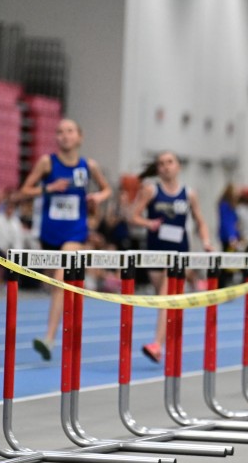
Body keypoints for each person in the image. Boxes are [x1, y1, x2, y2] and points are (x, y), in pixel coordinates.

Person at [18, 118, 111, 362]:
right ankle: (64, 323)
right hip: (49, 234)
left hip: (75, 232)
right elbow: (24, 191)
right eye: (60, 132)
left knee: (60, 279)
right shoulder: (47, 162)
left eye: (70, 131)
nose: (65, 135)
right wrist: (49, 189)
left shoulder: (88, 166)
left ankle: (49, 338)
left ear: (79, 137)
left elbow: (107, 189)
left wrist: (98, 198)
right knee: (55, 284)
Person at [131, 151, 213, 363]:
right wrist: (149, 223)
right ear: (158, 169)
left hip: (178, 255)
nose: (166, 166)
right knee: (166, 302)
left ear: (178, 167)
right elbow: (132, 216)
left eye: (170, 162)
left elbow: (200, 221)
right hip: (155, 253)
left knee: (167, 298)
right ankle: (167, 340)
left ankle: (157, 344)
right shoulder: (151, 190)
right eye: (161, 164)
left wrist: (206, 242)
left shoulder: (189, 194)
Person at [217, 183, 240, 252]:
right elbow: (227, 222)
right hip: (228, 237)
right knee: (229, 255)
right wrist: (231, 236)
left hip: (229, 235)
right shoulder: (226, 205)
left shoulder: (229, 205)